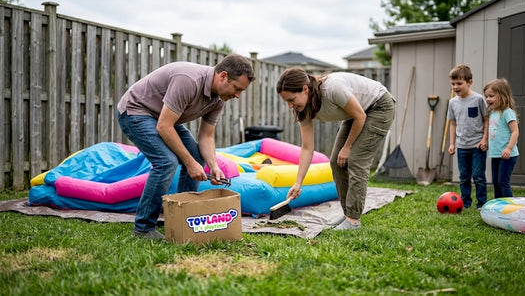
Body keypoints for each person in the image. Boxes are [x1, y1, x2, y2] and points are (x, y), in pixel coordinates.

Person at [117, 54, 255, 240]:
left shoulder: (219, 99)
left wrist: (213, 166)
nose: (237, 96)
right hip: (136, 111)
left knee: (196, 156)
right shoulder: (189, 80)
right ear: (223, 76)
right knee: (166, 162)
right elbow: (164, 126)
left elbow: (206, 136)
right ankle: (143, 228)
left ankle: (182, 218)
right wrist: (189, 164)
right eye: (237, 88)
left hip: (163, 117)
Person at [276, 67, 395, 230]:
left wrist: (347, 147)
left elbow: (360, 116)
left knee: (355, 160)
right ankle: (348, 213)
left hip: (379, 106)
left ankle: (353, 220)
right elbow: (307, 147)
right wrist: (298, 183)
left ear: (305, 89)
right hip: (357, 113)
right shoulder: (303, 109)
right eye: (286, 102)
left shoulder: (332, 88)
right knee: (335, 162)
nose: (290, 106)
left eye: (291, 99)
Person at [447, 64, 488, 209]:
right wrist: (452, 144)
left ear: (469, 82)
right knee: (464, 177)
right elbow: (453, 123)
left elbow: (486, 119)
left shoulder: (478, 99)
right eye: (453, 84)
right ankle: (465, 203)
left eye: (459, 83)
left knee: (478, 176)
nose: (456, 87)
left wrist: (484, 139)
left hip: (477, 145)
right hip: (462, 146)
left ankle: (482, 203)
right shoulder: (452, 102)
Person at [484, 78, 519, 198]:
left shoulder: (507, 112)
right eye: (486, 96)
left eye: (491, 96)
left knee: (503, 182)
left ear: (502, 96)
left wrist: (509, 148)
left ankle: (509, 208)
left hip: (508, 155)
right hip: (496, 154)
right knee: (496, 181)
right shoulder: (492, 112)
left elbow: (515, 131)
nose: (488, 99)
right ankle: (499, 208)